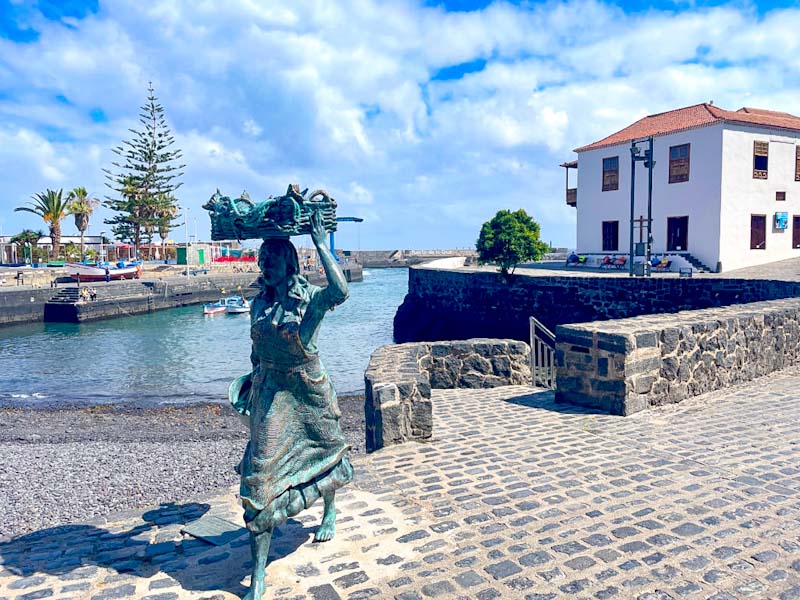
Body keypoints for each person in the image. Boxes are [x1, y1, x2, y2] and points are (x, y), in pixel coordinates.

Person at [230, 211, 351, 600]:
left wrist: (319, 242)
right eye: (261, 260)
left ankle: (329, 509)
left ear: (290, 263)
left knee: (323, 449)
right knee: (259, 476)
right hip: (270, 389)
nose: (265, 267)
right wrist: (249, 383)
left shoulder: (307, 303)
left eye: (273, 259)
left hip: (306, 389)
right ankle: (258, 576)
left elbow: (340, 291)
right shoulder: (258, 304)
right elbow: (255, 348)